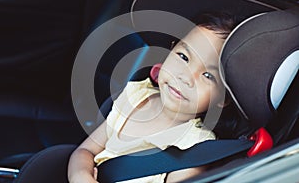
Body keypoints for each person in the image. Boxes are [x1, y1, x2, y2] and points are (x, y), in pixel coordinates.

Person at [68, 12, 237, 183]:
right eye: (183, 57)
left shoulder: (195, 148)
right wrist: (80, 175)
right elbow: (86, 151)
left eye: (208, 76)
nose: (185, 77)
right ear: (170, 51)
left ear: (223, 98)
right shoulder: (137, 95)